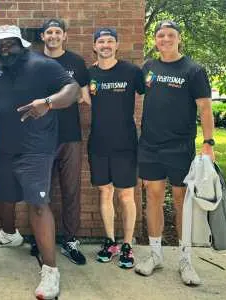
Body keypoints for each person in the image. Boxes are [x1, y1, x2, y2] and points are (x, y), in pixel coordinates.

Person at [0, 25, 80, 299]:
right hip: (5, 147)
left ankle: (50, 270)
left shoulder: (42, 65)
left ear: (21, 43)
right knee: (1, 194)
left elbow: (73, 91)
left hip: (36, 149)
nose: (4, 48)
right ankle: (10, 234)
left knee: (38, 205)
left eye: (9, 43)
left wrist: (48, 102)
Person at [134, 21, 215, 286]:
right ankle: (155, 255)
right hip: (149, 145)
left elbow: (204, 109)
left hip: (180, 147)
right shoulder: (148, 68)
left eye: (170, 35)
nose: (165, 39)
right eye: (160, 35)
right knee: (153, 198)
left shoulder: (193, 70)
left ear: (179, 39)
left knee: (182, 202)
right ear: (155, 40)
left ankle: (186, 260)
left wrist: (208, 143)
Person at [87, 28, 144, 269]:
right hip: (99, 143)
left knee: (126, 195)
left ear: (117, 45)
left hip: (125, 144)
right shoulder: (88, 74)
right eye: (101, 41)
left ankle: (127, 245)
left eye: (110, 41)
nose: (106, 45)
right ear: (95, 46)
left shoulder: (131, 71)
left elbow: (150, 92)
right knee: (105, 192)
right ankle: (110, 242)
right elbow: (80, 96)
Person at [36, 18, 91, 265]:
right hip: (41, 137)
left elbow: (83, 96)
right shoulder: (33, 63)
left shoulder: (76, 62)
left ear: (65, 36)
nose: (54, 36)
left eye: (58, 32)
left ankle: (70, 240)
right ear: (42, 36)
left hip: (70, 136)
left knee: (71, 191)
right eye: (49, 32)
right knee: (40, 193)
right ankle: (40, 240)